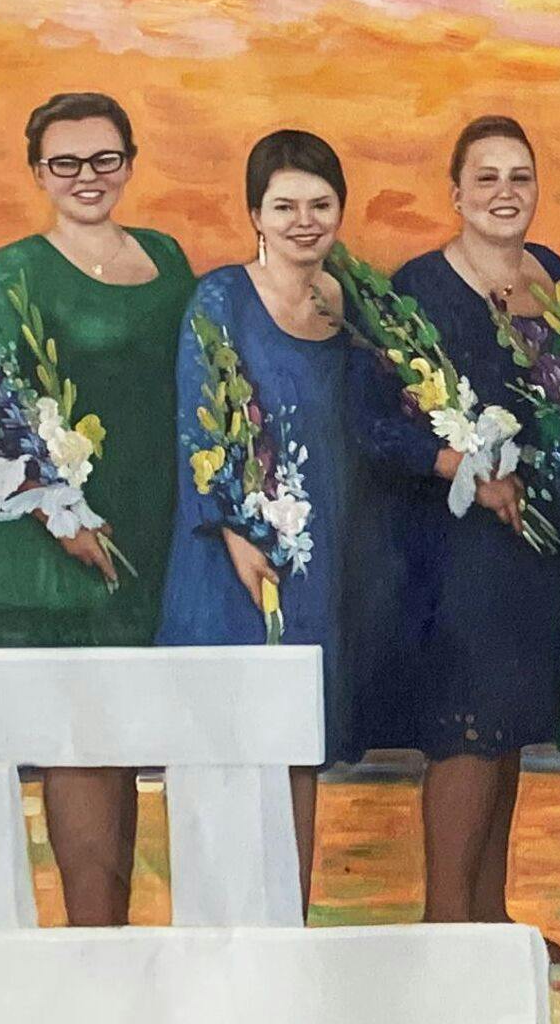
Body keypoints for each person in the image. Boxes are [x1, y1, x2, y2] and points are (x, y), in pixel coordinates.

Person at [0, 94, 193, 927]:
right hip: (61, 549)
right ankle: (93, 945)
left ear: (130, 161)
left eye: (104, 159)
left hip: (155, 534)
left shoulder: (166, 257)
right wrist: (63, 519)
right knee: (80, 743)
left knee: (127, 741)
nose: (87, 177)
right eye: (65, 162)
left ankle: (119, 942)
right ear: (38, 172)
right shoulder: (12, 273)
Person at [161, 129, 391, 895]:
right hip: (229, 554)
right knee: (223, 741)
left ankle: (286, 921)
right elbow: (199, 425)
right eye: (284, 206)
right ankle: (216, 928)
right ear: (254, 214)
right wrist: (235, 531)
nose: (304, 221)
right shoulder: (221, 297)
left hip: (321, 553)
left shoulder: (351, 303)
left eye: (320, 205)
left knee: (296, 744)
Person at [368, 117, 560, 930]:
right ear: (455, 194)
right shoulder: (416, 288)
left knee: (508, 727)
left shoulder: (553, 276)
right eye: (486, 178)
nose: (504, 193)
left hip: (533, 542)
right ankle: (446, 926)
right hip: (453, 547)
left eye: (519, 177)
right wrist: (464, 469)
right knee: (466, 728)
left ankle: (490, 918)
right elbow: (373, 425)